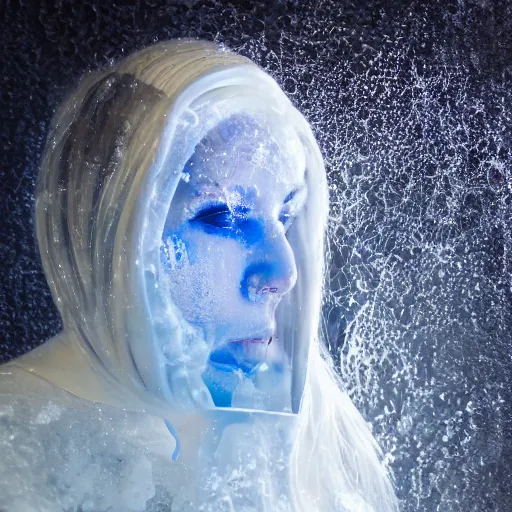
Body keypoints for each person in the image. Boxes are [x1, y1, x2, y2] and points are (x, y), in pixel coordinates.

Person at [0, 40, 398, 511]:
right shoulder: (18, 437)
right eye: (220, 216)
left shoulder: (301, 432)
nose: (283, 272)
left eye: (286, 216)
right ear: (110, 235)